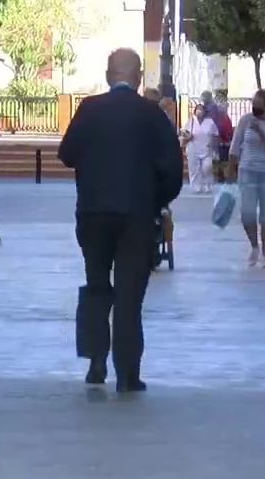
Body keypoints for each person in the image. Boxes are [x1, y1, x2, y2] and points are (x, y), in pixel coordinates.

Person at [59, 48, 183, 392]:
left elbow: (67, 153)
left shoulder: (89, 109)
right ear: (139, 77)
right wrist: (155, 201)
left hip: (94, 214)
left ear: (108, 74)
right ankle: (128, 373)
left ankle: (96, 362)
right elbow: (174, 170)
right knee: (131, 295)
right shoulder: (152, 115)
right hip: (137, 216)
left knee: (97, 284)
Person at [229, 89, 265, 268]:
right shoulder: (246, 120)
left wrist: (260, 130)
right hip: (247, 170)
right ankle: (254, 246)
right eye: (253, 106)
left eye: (259, 107)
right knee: (247, 214)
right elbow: (235, 144)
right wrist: (230, 167)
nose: (255, 110)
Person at [184, 103, 218, 194]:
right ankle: (196, 186)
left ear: (204, 111)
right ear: (195, 111)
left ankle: (207, 185)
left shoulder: (209, 122)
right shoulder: (191, 121)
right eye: (197, 109)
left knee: (207, 167)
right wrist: (188, 136)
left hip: (207, 148)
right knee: (194, 168)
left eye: (201, 109)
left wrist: (214, 148)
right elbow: (184, 132)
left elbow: (215, 135)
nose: (199, 111)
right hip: (193, 147)